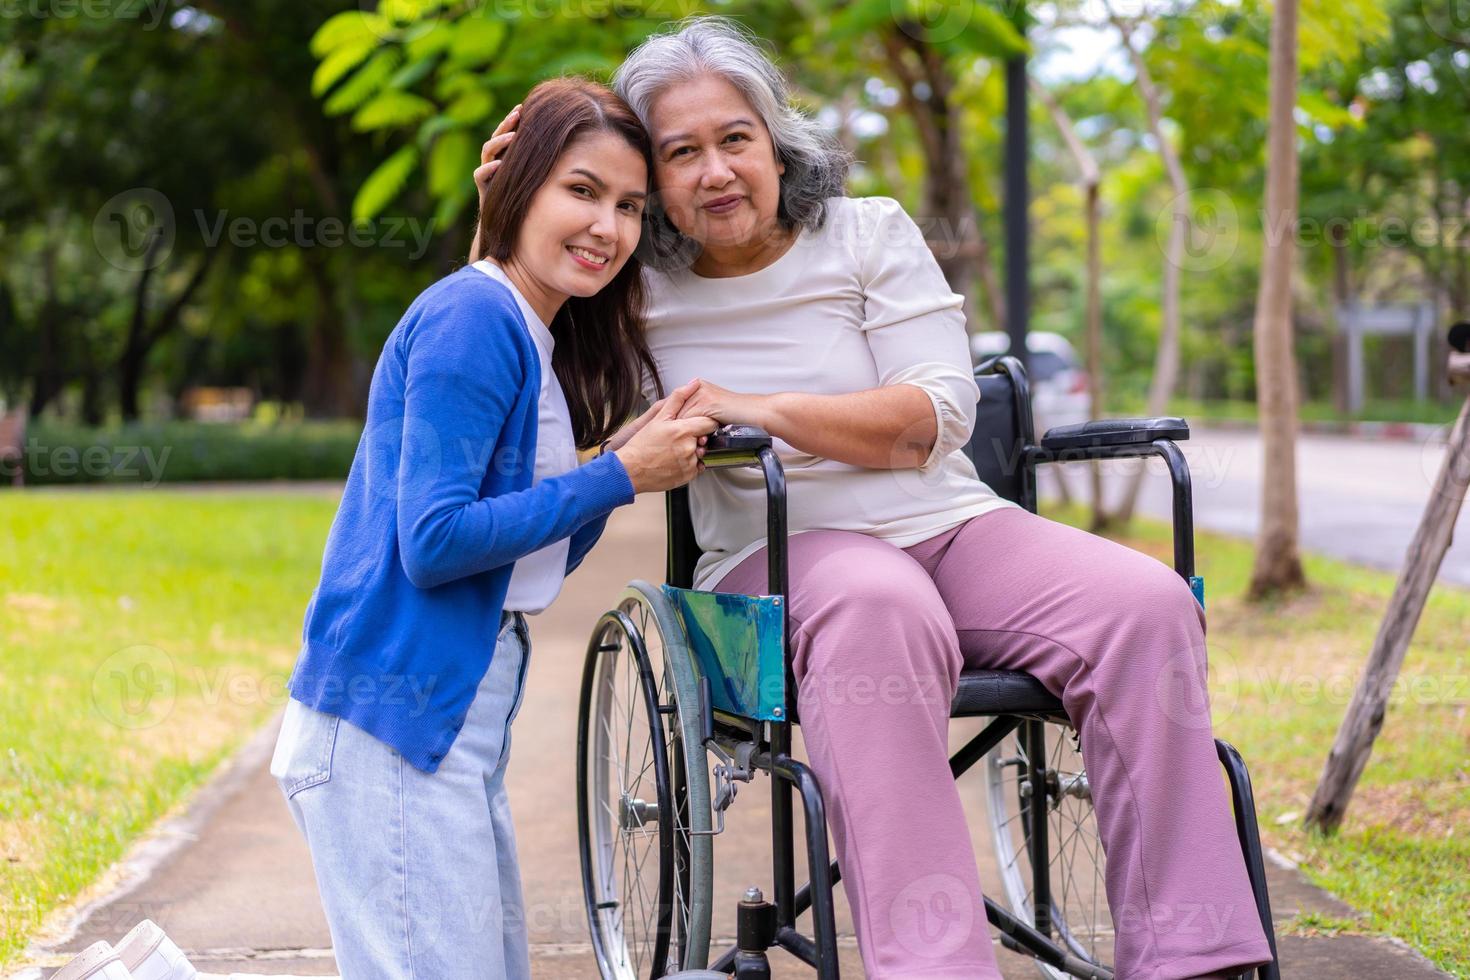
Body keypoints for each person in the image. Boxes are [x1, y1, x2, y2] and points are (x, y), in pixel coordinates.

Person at [473, 18, 1274, 980]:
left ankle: (1193, 955)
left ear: (777, 141)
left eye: (735, 138)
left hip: (948, 525)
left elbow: (929, 417)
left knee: (1143, 607)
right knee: (877, 603)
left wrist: (757, 408)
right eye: (680, 153)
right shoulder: (632, 283)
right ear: (651, 177)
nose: (716, 171)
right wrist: (502, 215)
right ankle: (936, 968)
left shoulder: (869, 232)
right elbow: (510, 358)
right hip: (780, 554)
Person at [269, 77, 716, 980]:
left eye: (629, 206)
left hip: (438, 729)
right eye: (580, 191)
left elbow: (527, 549)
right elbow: (433, 542)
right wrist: (619, 474)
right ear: (519, 187)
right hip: (391, 732)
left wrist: (617, 466)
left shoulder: (522, 331)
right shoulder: (473, 316)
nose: (608, 227)